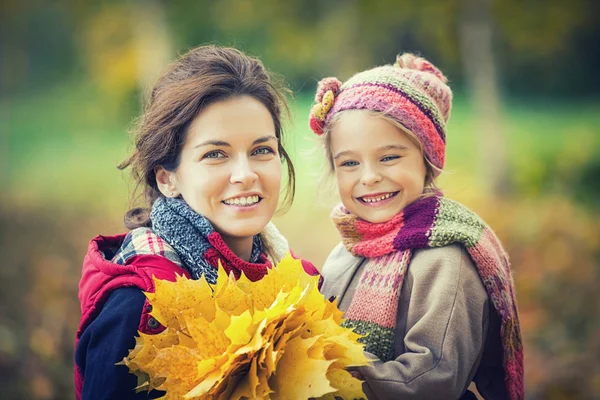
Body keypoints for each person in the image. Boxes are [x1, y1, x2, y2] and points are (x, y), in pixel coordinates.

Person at [74, 45, 318, 400]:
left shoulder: (300, 287)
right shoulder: (138, 308)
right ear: (167, 178)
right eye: (215, 154)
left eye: (261, 150)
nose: (245, 174)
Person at [310, 53, 524, 399]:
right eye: (349, 163)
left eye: (389, 157)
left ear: (428, 160)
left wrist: (329, 373)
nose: (369, 177)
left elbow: (433, 379)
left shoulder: (445, 261)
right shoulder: (348, 248)